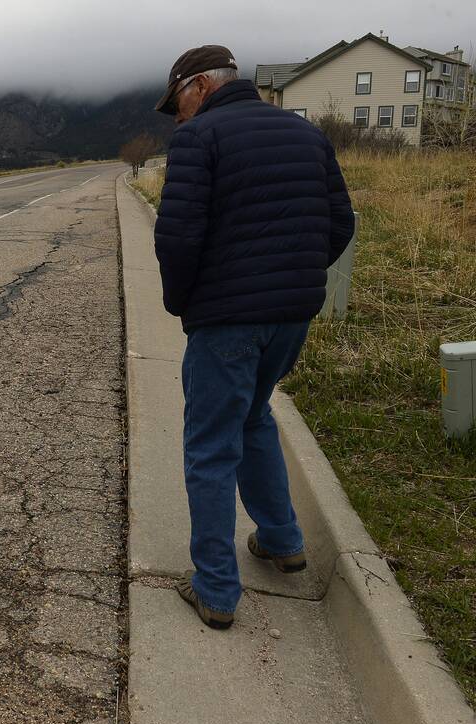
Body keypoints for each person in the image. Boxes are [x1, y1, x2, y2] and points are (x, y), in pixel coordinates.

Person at [152, 45, 355, 629]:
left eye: (178, 105)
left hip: (228, 320)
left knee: (210, 444)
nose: (178, 118)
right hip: (293, 316)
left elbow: (179, 238)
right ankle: (283, 539)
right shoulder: (305, 133)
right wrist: (295, 277)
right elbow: (340, 221)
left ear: (199, 87)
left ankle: (216, 589)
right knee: (254, 415)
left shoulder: (199, 140)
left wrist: (181, 301)